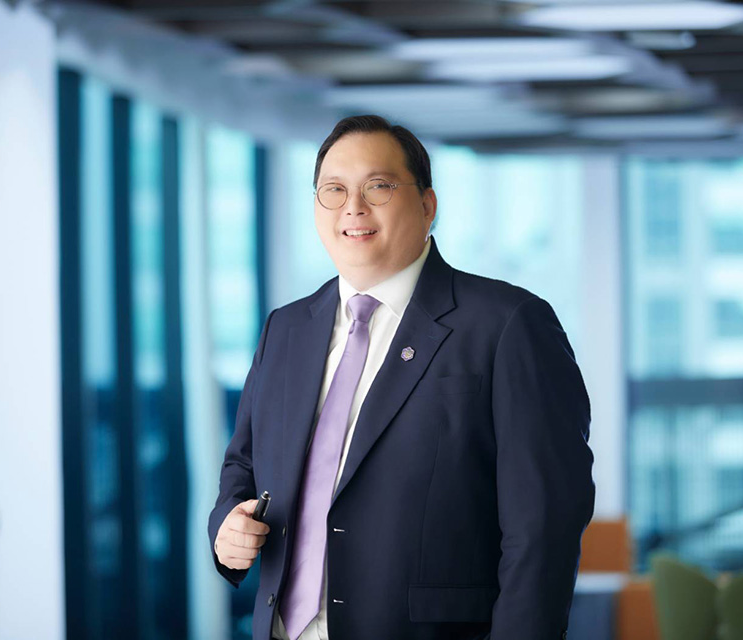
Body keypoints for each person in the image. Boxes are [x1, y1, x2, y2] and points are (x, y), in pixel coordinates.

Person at [209, 114, 595, 640]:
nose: (353, 207)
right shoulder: (286, 328)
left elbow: (543, 529)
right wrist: (226, 527)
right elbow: (244, 464)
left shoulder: (507, 325)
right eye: (334, 190)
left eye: (378, 186)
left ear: (428, 205)